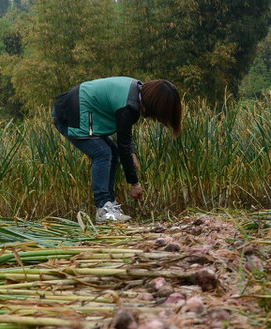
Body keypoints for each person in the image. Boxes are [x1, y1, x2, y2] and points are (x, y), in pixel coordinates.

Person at [51, 77, 182, 223]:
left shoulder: (136, 91)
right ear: (156, 105)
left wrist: (132, 153)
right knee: (102, 153)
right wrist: (135, 184)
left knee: (112, 151)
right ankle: (103, 209)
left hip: (77, 110)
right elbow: (123, 144)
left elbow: (124, 136)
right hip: (67, 115)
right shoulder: (130, 106)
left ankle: (109, 205)